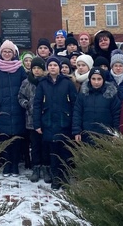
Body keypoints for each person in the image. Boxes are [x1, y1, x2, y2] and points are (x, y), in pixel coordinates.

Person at [33, 56, 77, 190]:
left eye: (55, 65)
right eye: (50, 65)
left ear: (59, 68)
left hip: (64, 122)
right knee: (53, 153)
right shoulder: (42, 83)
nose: (53, 67)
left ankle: (64, 178)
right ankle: (55, 178)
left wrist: (74, 124)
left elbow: (75, 104)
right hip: (49, 122)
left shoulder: (67, 83)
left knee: (65, 152)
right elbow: (37, 104)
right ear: (47, 68)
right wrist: (37, 124)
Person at [0, 40, 27, 176]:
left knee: (16, 137)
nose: (7, 54)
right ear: (1, 53)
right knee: (4, 137)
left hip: (17, 107)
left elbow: (25, 86)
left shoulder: (20, 68)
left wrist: (21, 100)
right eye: (4, 51)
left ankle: (15, 164)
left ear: (14, 53)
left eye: (9, 52)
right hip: (3, 107)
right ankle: (6, 164)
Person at [19, 57, 48, 183]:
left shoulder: (47, 82)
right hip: (31, 120)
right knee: (35, 145)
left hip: (46, 119)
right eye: (34, 68)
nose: (36, 71)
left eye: (39, 68)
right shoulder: (26, 82)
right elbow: (20, 96)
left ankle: (46, 167)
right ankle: (36, 167)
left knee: (45, 145)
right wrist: (26, 104)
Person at [72, 68, 121, 145]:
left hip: (106, 136)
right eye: (93, 79)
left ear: (103, 79)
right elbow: (77, 113)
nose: (96, 82)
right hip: (86, 135)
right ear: (89, 79)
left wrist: (116, 132)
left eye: (99, 79)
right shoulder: (83, 94)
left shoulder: (111, 95)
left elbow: (117, 114)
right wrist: (77, 131)